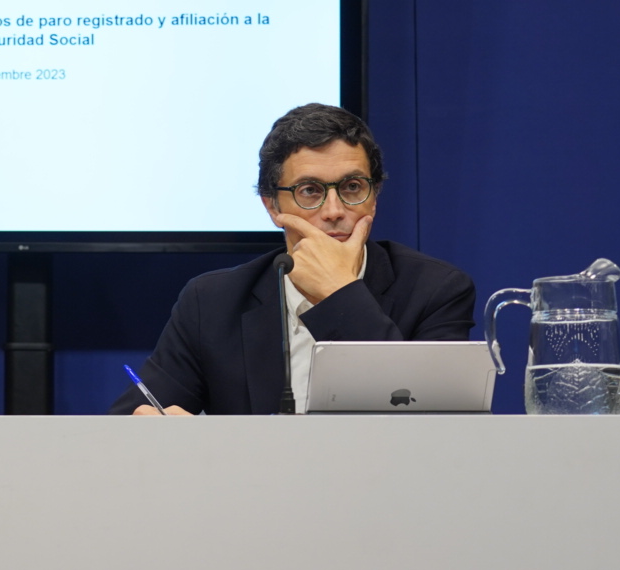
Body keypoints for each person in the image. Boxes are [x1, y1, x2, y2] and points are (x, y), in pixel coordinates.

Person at [110, 103, 473, 415]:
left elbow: (430, 422)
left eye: (352, 187)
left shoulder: (435, 291)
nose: (334, 211)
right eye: (310, 191)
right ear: (272, 205)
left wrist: (339, 294)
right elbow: (133, 419)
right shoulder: (212, 302)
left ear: (374, 197)